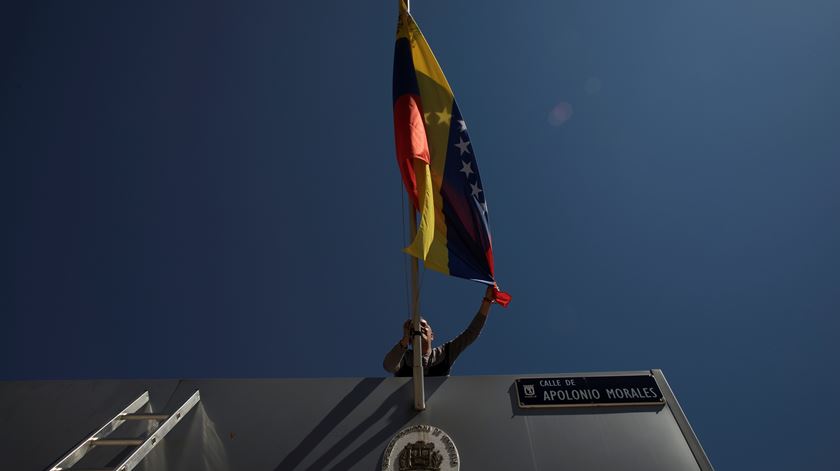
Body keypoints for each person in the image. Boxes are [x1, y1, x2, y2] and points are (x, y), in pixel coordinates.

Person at [383, 286, 497, 376]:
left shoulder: (444, 353)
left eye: (423, 325)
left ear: (432, 335)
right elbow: (389, 366)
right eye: (413, 327)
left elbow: (471, 333)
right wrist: (404, 340)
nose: (419, 328)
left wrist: (487, 301)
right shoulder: (403, 357)